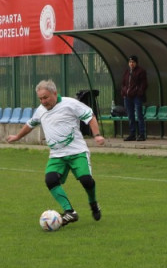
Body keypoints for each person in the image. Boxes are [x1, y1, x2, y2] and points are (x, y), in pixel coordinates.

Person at [6, 79, 105, 226]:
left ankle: (93, 203)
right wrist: (17, 137)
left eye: (45, 97)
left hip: (77, 152)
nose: (43, 101)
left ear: (55, 93)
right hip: (57, 155)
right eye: (40, 98)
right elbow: (30, 124)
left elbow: (90, 116)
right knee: (50, 180)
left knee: (86, 180)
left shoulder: (70, 104)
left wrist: (97, 135)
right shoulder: (40, 110)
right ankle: (70, 212)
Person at [120, 55, 148, 141]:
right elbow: (124, 83)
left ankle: (142, 134)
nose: (131, 64)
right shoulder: (127, 72)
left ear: (136, 63)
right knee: (130, 115)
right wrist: (124, 91)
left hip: (136, 96)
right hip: (127, 96)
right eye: (130, 62)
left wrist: (139, 92)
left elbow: (144, 84)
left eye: (133, 62)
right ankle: (132, 134)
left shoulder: (141, 71)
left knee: (139, 115)